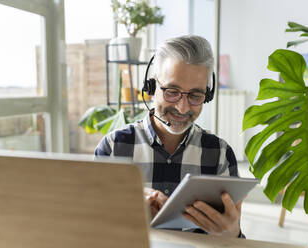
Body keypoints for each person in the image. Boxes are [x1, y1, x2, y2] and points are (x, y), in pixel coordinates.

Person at [95, 35, 244, 238]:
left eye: (195, 95)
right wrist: (128, 218)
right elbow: (93, 232)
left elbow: (231, 239)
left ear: (207, 96)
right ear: (151, 87)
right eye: (172, 91)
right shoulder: (114, 147)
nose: (182, 108)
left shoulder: (220, 154)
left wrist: (232, 232)